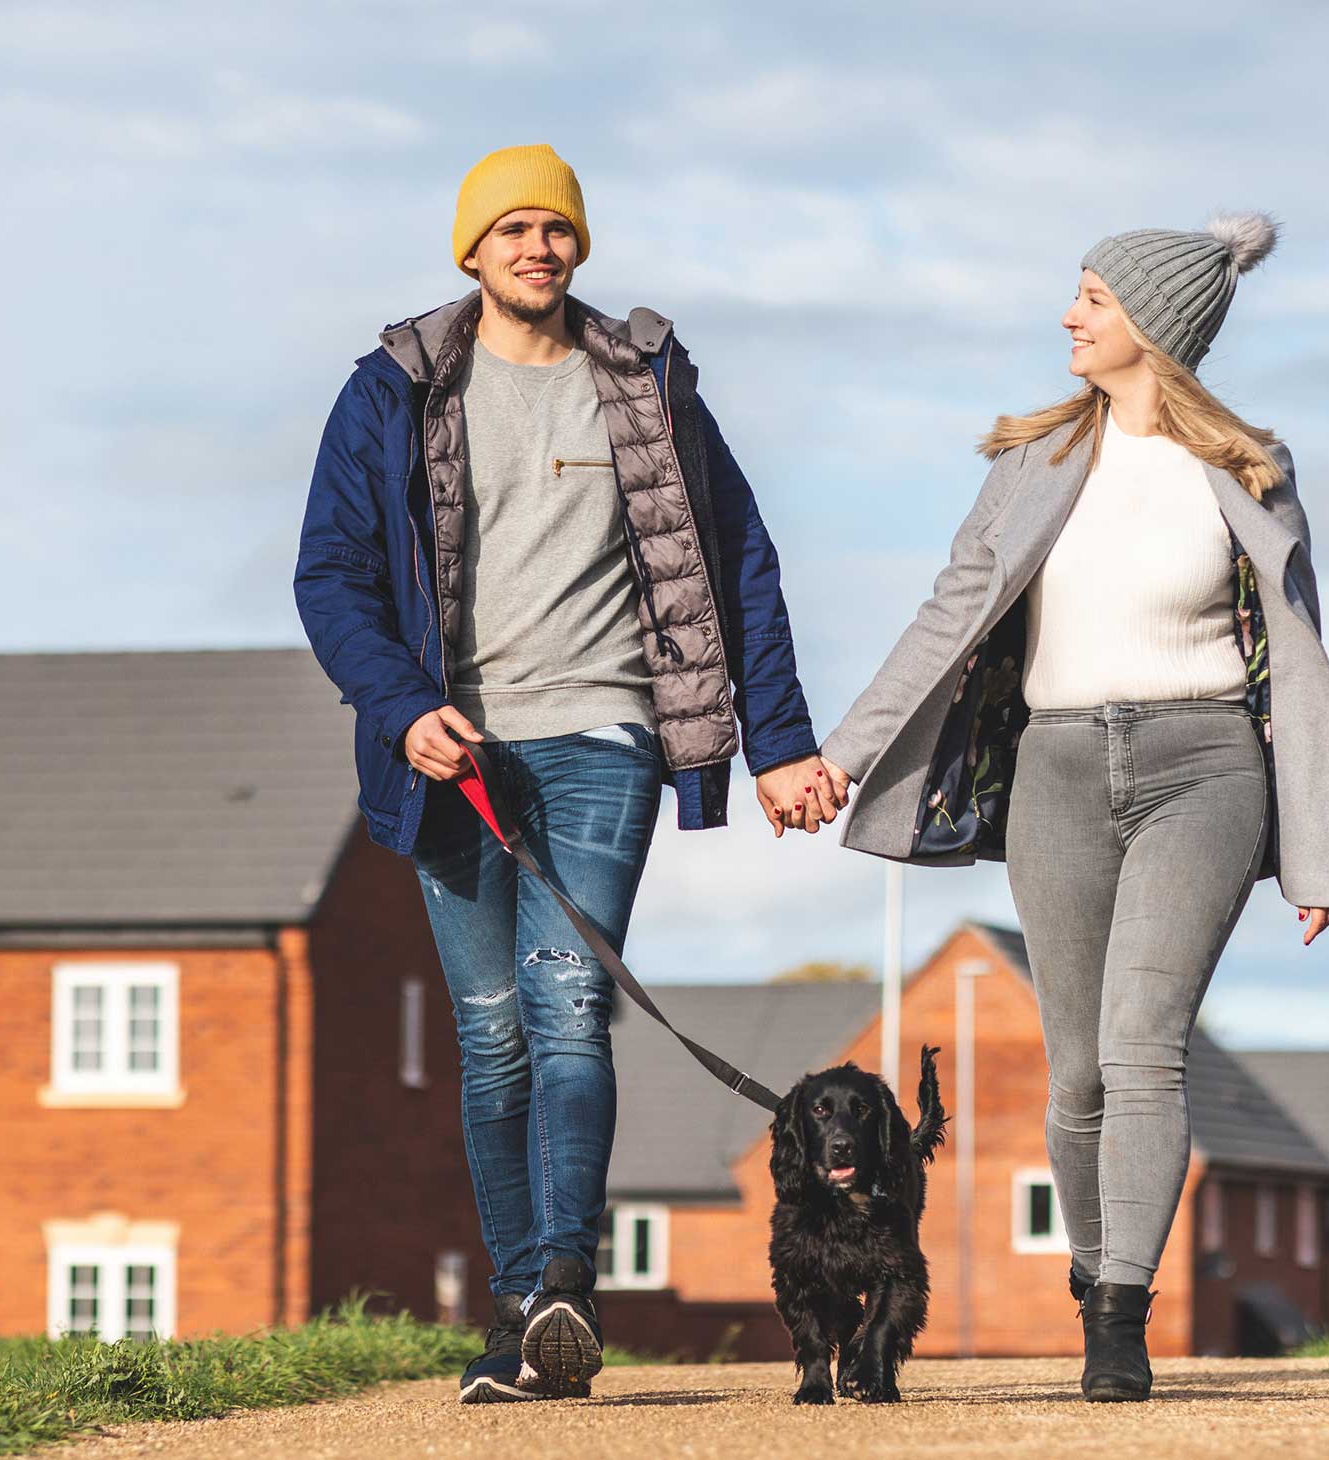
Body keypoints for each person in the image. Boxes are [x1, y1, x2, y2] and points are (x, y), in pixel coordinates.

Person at [294, 144, 839, 1404]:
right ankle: (517, 1315)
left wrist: (781, 741)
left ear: (578, 245)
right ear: (472, 249)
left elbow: (736, 562)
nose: (538, 248)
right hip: (456, 750)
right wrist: (403, 707)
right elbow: (332, 575)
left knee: (568, 1003)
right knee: (490, 1036)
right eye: (513, 229)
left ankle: (565, 1282)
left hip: (603, 733)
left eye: (557, 229)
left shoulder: (644, 385)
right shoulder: (393, 391)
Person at [819, 213, 1329, 1401]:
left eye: (1096, 298)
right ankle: (1093, 1265)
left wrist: (1315, 843)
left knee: (1141, 1045)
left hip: (1205, 766)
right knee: (1077, 1077)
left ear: (1153, 325)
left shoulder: (1250, 469)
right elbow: (945, 620)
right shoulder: (1033, 461)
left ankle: (1120, 1312)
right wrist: (843, 756)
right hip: (1055, 770)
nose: (1071, 315)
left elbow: (1301, 656)